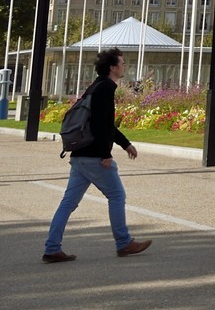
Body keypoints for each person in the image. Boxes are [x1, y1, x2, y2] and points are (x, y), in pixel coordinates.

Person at [42, 47, 153, 262]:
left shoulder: (95, 87)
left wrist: (125, 144)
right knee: (117, 196)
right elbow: (102, 125)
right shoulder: (105, 88)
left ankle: (52, 248)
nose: (124, 67)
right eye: (122, 63)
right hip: (94, 155)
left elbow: (104, 124)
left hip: (79, 154)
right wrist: (105, 154)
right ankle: (124, 243)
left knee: (68, 203)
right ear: (112, 68)